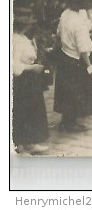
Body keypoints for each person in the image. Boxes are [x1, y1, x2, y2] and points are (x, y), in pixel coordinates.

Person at [54, 0, 92, 133]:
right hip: (76, 60)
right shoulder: (78, 23)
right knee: (76, 92)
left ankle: (66, 121)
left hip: (65, 56)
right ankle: (70, 123)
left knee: (66, 91)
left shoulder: (65, 14)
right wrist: (89, 65)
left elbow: (58, 33)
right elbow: (83, 48)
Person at [12, 9, 50, 154]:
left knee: (32, 111)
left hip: (30, 80)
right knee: (22, 112)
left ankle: (30, 142)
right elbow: (13, 66)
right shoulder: (15, 40)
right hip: (22, 80)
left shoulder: (23, 37)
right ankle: (20, 146)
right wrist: (31, 68)